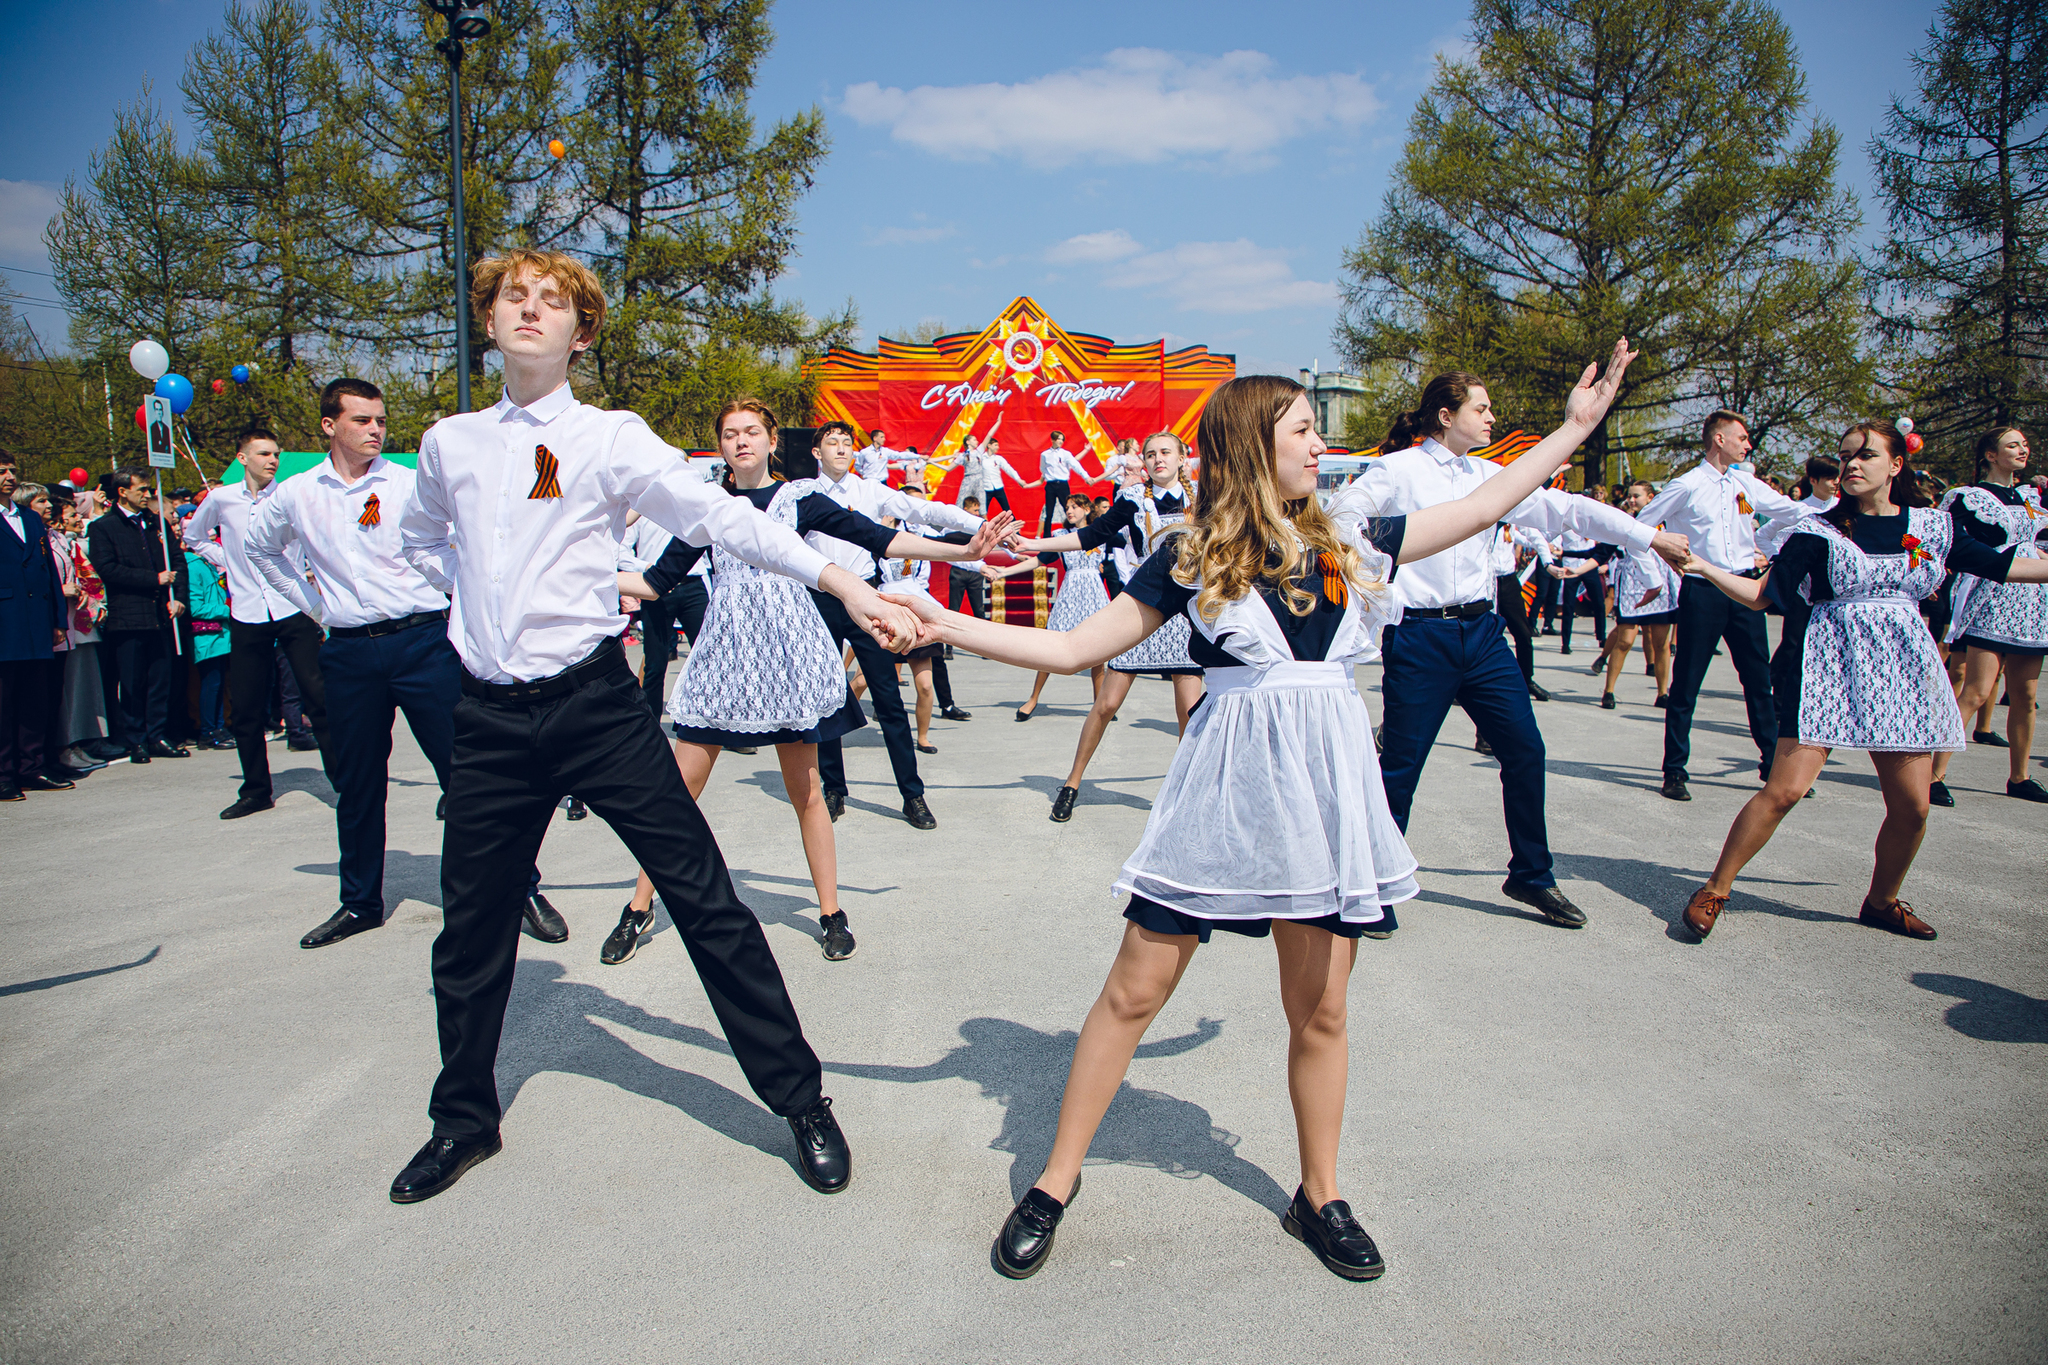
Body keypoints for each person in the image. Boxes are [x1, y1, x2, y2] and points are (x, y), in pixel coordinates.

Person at [880, 351, 1635, 1282]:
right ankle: (1053, 1180)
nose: (1323, 445)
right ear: (1251, 446)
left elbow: (1486, 505)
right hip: (1225, 794)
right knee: (1133, 993)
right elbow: (1075, 648)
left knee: (1321, 1009)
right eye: (1305, 431)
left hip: (1325, 798)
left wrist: (1573, 431)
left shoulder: (1353, 540)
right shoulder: (1190, 552)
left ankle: (1319, 1193)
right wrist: (943, 623)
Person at [386, 248, 923, 1205]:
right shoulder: (448, 443)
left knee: (705, 897)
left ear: (579, 332)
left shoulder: (609, 436)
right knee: (468, 932)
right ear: (489, 316)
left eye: (552, 302)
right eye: (513, 297)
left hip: (594, 703)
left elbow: (724, 519)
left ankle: (800, 1099)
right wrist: (469, 611)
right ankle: (463, 1119)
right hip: (490, 718)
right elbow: (422, 538)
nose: (530, 311)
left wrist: (842, 578)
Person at [604, 404, 1004, 966]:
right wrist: (569, 573)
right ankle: (639, 906)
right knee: (676, 794)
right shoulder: (708, 509)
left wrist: (961, 550)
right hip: (726, 658)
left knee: (807, 792)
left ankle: (830, 912)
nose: (740, 442)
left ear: (772, 441)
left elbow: (878, 539)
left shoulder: (799, 500)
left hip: (792, 656)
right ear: (719, 446)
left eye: (751, 432)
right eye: (729, 434)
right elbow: (653, 581)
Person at [1673, 422, 2048, 942]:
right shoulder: (1815, 531)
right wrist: (1700, 566)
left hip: (1905, 674)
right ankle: (1715, 887)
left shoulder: (1934, 528)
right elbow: (1762, 595)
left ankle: (1881, 901)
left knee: (1914, 807)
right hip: (1828, 667)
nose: (1851, 464)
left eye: (1866, 455)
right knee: (1783, 791)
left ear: (1895, 465)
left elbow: (2004, 565)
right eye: (1846, 455)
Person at [1337, 372, 1686, 928]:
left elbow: (1569, 512)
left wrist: (1648, 536)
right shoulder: (1397, 469)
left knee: (1525, 752)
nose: (1492, 417)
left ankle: (1530, 875)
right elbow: (1344, 519)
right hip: (1420, 637)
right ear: (1446, 415)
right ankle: (1371, 885)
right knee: (1401, 766)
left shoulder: (1490, 475)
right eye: (1483, 407)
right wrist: (1376, 571)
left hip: (1482, 636)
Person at [246, 379, 488, 949]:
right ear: (329, 425)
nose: (375, 429)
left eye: (380, 419)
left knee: (467, 773)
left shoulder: (408, 483)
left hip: (423, 640)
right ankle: (360, 904)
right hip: (351, 649)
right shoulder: (298, 493)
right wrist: (311, 606)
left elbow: (461, 544)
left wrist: (453, 597)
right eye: (362, 420)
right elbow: (259, 547)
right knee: (356, 784)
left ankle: (514, 887)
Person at [1011, 433, 1205, 823]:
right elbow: (1090, 535)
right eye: (1150, 454)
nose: (1157, 459)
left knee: (1190, 714)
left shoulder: (1205, 497)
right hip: (1143, 610)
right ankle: (1071, 783)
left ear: (1184, 458)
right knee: (1107, 704)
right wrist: (1033, 543)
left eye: (1166, 452)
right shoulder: (1133, 499)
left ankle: (1188, 794)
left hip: (1187, 614)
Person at [1630, 412, 1804, 801]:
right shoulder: (1687, 484)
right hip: (1703, 589)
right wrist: (1658, 572)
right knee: (1687, 683)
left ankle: (1772, 765)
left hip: (1743, 588)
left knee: (1758, 681)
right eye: (1742, 437)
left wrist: (1840, 512)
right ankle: (1674, 769)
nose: (1749, 444)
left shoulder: (1746, 482)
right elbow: (1641, 526)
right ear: (1719, 439)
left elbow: (1789, 511)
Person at [184, 427, 332, 818]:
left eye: (276, 454)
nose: (272, 460)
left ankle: (345, 782)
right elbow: (193, 535)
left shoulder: (289, 495)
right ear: (242, 458)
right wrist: (225, 560)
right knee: (247, 707)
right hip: (248, 612)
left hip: (292, 607)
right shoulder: (221, 499)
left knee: (318, 697)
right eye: (264, 453)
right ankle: (256, 791)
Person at [1928, 426, 2047, 805]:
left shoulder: (2031, 497)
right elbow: (1936, 539)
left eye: (2025, 445)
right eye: (2013, 445)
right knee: (1976, 691)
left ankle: (2020, 776)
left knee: (2025, 695)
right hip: (1991, 597)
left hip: (2033, 601)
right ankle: (1933, 775)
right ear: (1991, 455)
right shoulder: (1968, 497)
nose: (2022, 450)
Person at [87, 467, 188, 763]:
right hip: (128, 615)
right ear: (123, 492)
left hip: (161, 613)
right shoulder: (104, 527)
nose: (148, 495)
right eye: (141, 490)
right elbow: (106, 568)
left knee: (161, 677)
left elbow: (177, 560)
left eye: (149, 490)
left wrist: (179, 597)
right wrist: (153, 579)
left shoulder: (155, 523)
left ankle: (157, 734)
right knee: (132, 682)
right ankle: (135, 739)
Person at [990, 493, 1112, 721]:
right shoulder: (1060, 535)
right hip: (1070, 594)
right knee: (1051, 647)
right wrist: (1004, 572)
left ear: (1087, 509)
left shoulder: (1100, 533)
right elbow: (1039, 560)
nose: (1069, 510)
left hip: (1095, 593)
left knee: (1098, 652)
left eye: (1075, 506)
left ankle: (1099, 704)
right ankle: (1033, 698)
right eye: (1067, 507)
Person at [1, 457, 71, 800]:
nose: (9, 477)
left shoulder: (28, 517)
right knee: (3, 703)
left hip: (36, 621)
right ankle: (4, 773)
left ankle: (32, 766)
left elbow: (48, 573)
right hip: (5, 622)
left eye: (12, 471)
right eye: (1, 472)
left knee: (34, 700)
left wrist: (58, 620)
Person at [1588, 480, 1679, 708]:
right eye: (1630, 495)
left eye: (1636, 496)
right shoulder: (1625, 521)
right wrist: (1577, 565)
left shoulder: (1665, 522)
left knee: (1661, 643)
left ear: (1650, 498)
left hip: (1661, 585)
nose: (1631, 500)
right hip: (1632, 585)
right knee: (1625, 640)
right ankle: (1608, 690)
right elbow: (1603, 551)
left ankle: (1662, 693)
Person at [1038, 430, 1097, 534]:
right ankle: (1046, 536)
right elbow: (1042, 468)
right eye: (1058, 439)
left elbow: (1075, 465)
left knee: (1068, 508)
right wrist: (1048, 476)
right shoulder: (1045, 454)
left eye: (1062, 439)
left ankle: (1072, 530)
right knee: (1049, 512)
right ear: (1052, 440)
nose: (1060, 441)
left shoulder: (1065, 454)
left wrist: (1086, 477)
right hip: (1051, 484)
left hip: (1062, 484)